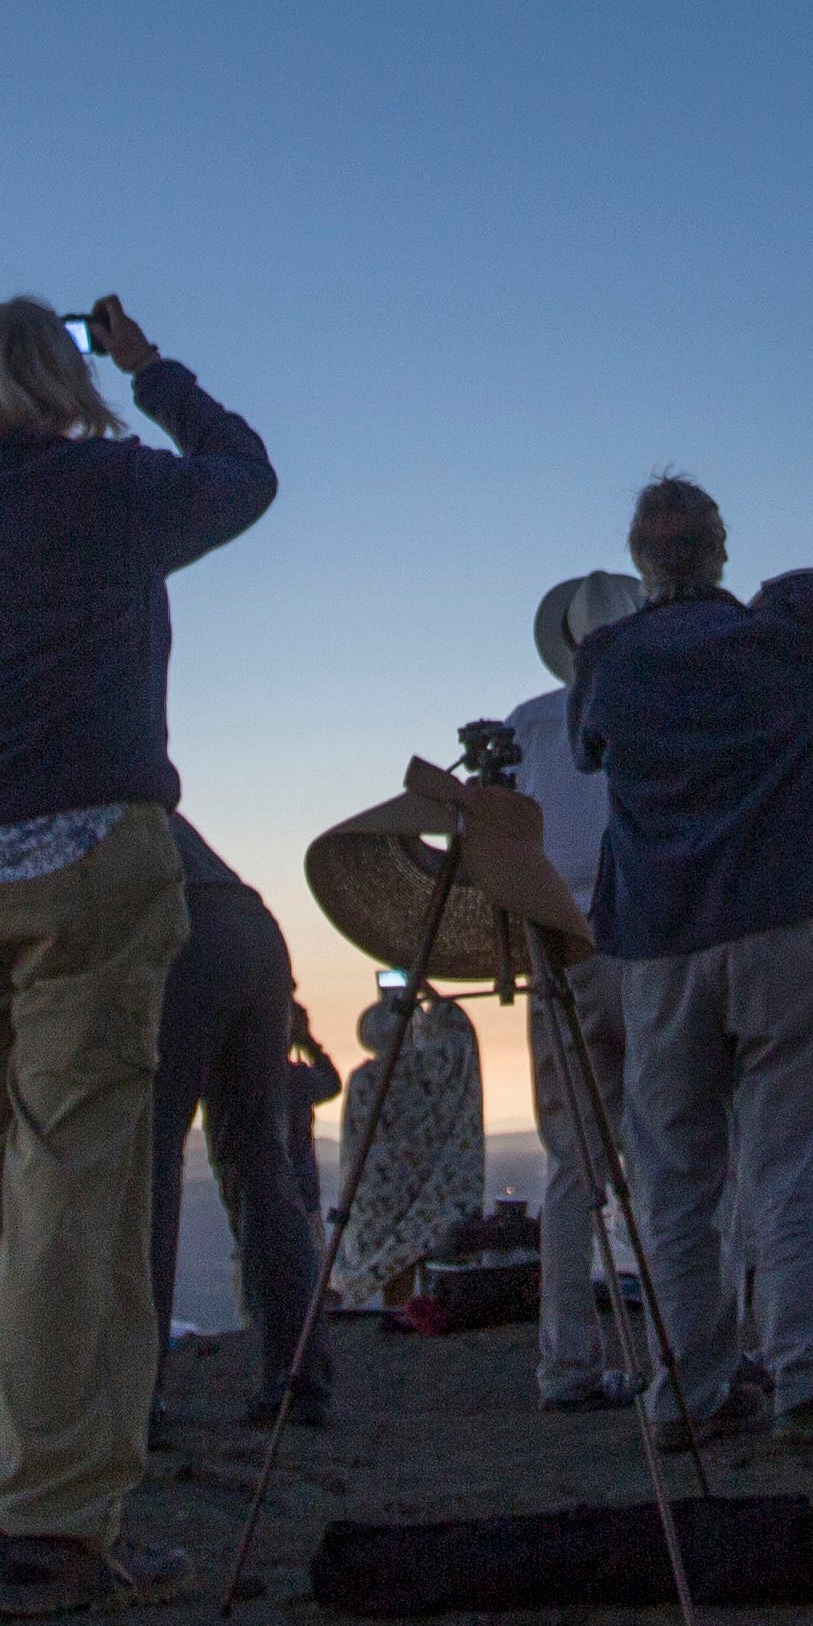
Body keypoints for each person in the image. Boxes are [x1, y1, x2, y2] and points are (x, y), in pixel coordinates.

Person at [0, 292, 272, 1617]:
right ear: (55, 380)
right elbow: (244, 477)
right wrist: (148, 369)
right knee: (71, 1189)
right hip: (84, 852)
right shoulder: (104, 486)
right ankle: (43, 1524)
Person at [571, 472, 813, 1444]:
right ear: (719, 546)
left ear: (639, 562)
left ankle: (688, 1388)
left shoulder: (609, 657)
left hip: (660, 945)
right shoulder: (781, 638)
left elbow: (593, 751)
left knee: (674, 1174)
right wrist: (767, 603)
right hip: (777, 928)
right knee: (789, 1156)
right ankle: (809, 1371)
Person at [509, 568, 649, 1411]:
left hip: (551, 948)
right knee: (672, 1148)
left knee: (573, 1165)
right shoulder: (654, 705)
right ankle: (686, 1354)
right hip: (640, 939)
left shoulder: (526, 727)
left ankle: (565, 1362)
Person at [145, 819, 328, 1429]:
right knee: (261, 1162)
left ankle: (134, 1398)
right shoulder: (130, 780)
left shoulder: (63, 787)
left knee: (149, 1157)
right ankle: (297, 1378)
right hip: (252, 929)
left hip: (185, 927)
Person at [327, 989, 487, 1311]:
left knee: (392, 1266)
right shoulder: (430, 1068)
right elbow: (460, 1041)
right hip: (427, 1190)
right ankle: (424, 1313)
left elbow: (354, 1141)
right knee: (423, 1252)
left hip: (375, 1195)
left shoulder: (364, 1080)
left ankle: (397, 1312)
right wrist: (436, 1002)